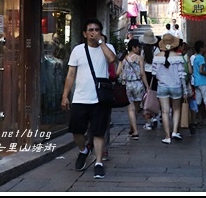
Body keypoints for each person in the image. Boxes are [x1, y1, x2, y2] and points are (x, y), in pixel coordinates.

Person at [61, 18, 117, 179]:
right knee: (77, 130)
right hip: (80, 97)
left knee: (99, 132)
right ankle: (83, 150)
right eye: (90, 30)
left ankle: (98, 162)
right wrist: (65, 95)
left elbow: (112, 60)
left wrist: (102, 43)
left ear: (101, 32)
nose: (93, 32)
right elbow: (71, 74)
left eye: (97, 30)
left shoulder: (107, 48)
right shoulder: (78, 50)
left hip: (100, 98)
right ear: (85, 33)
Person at [152, 32, 189, 144]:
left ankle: (167, 136)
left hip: (162, 87)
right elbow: (182, 75)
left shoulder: (157, 57)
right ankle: (175, 132)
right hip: (176, 86)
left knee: (164, 111)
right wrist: (185, 90)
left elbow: (155, 74)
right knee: (176, 109)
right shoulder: (178, 57)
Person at [117, 38, 150, 139]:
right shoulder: (140, 58)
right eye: (138, 47)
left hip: (127, 85)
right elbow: (142, 73)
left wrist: (124, 74)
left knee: (130, 109)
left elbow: (118, 72)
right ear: (133, 47)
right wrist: (147, 86)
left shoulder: (123, 58)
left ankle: (133, 129)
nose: (139, 49)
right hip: (138, 84)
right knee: (135, 109)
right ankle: (134, 130)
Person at [138, 29, 159, 130]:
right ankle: (155, 116)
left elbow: (141, 63)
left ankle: (148, 122)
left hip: (145, 74)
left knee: (146, 97)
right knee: (154, 97)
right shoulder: (156, 50)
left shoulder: (143, 50)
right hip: (155, 75)